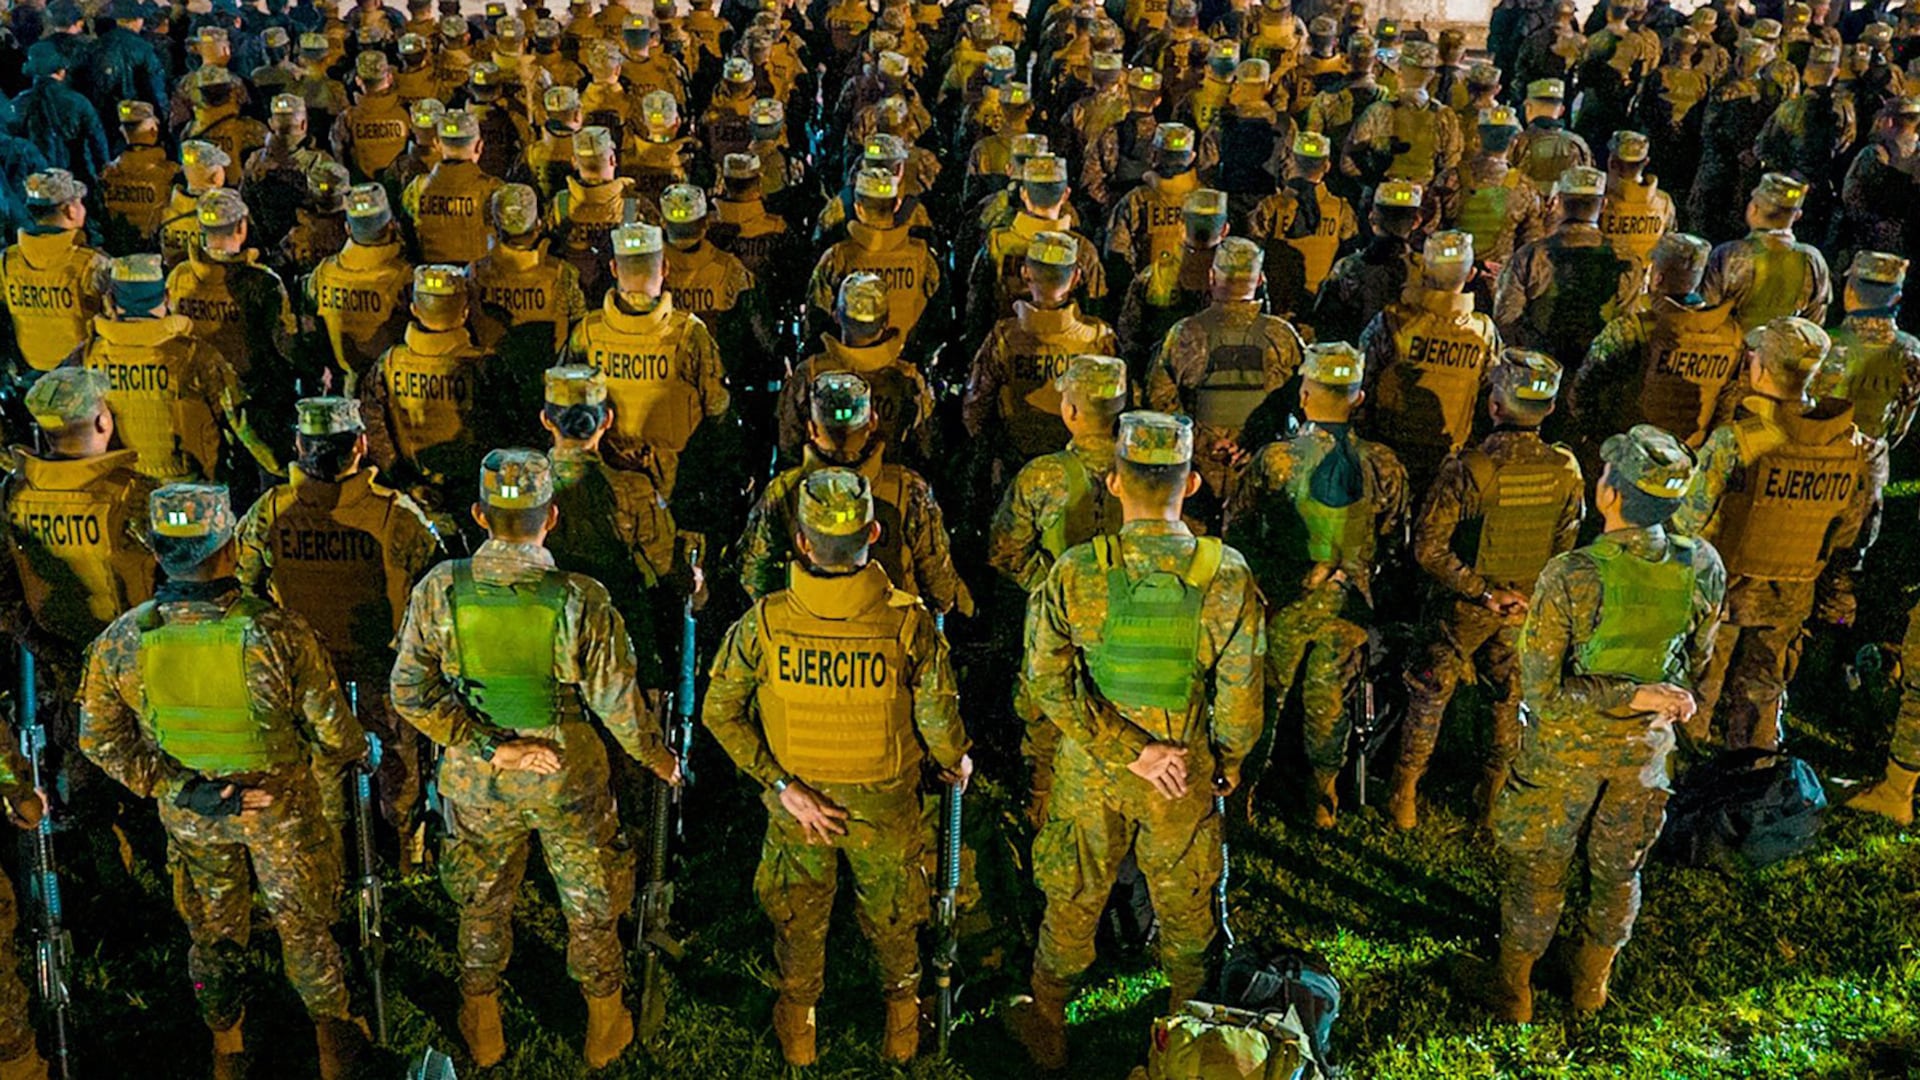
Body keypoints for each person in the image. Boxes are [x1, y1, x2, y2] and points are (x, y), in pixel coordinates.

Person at [389, 448, 679, 1069]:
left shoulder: (441, 589)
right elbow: (619, 703)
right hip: (566, 775)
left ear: (478, 514)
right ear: (551, 518)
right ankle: (606, 1021)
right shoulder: (580, 598)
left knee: (482, 898)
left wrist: (493, 746)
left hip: (477, 779)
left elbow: (409, 691)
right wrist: (656, 758)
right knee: (589, 900)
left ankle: (482, 1018)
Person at [78, 483, 371, 1078]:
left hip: (195, 818)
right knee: (304, 927)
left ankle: (227, 1047)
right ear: (233, 547)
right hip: (279, 813)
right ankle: (334, 1044)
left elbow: (100, 740)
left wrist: (179, 787)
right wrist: (356, 752)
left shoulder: (121, 643)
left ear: (157, 552)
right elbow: (334, 731)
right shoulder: (279, 634)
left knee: (213, 933)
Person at [1004, 410, 1263, 1070]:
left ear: (1115, 483)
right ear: (1194, 482)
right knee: (1185, 901)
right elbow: (1240, 695)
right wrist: (1225, 761)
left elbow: (1046, 681)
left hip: (1093, 768)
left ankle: (1049, 1017)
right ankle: (1192, 1039)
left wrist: (1126, 748)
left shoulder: (1074, 572)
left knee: (1074, 888)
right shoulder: (1225, 574)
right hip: (1184, 772)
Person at [703, 467, 971, 1066]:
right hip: (885, 801)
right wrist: (957, 761)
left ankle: (799, 1027)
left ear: (800, 542)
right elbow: (937, 722)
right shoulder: (908, 622)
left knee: (799, 914)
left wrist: (783, 786)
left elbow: (719, 713)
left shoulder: (765, 624)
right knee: (894, 912)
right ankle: (902, 1020)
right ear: (873, 533)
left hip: (798, 803)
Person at [1492, 425, 1725, 1024]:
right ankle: (1591, 984)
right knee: (1619, 870)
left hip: (1565, 755)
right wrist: (1651, 697)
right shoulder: (1702, 563)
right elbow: (1696, 660)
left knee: (1540, 867)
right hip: (1644, 756)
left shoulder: (1571, 574)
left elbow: (1543, 692)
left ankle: (1514, 988)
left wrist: (1627, 692)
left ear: (1610, 495)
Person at [234, 396, 444, 867]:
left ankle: (329, 858)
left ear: (299, 445)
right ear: (362, 446)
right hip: (380, 666)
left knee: (322, 766)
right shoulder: (397, 514)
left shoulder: (271, 511)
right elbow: (434, 587)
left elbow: (241, 586)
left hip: (305, 669)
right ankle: (406, 856)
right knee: (396, 764)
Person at [1390, 352, 1584, 829]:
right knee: (1506, 698)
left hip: (1463, 608)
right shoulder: (1565, 468)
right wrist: (1524, 596)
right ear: (1549, 409)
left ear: (1494, 405)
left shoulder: (1469, 469)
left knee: (1430, 692)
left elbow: (1428, 548)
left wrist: (1480, 592)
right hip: (1522, 606)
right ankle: (1492, 797)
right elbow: (1565, 546)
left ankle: (1406, 794)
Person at [1673, 316, 1885, 750]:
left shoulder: (1738, 441)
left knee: (1698, 691)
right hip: (1793, 595)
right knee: (1763, 693)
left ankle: (1685, 780)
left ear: (1761, 369)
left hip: (1724, 593)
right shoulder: (1852, 447)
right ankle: (1754, 778)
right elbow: (1855, 531)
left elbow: (1688, 521)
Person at [1226, 344, 1408, 827]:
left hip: (1283, 601)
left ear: (1304, 395)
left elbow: (1238, 530)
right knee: (1330, 701)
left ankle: (1242, 797)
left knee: (1265, 696)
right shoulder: (1383, 464)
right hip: (1349, 603)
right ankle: (1321, 797)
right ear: (1359, 397)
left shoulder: (1277, 460)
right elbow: (1394, 536)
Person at [987, 354, 1129, 825]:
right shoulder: (1147, 472)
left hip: (1057, 626)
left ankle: (1039, 801)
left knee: (1044, 718)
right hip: (1126, 627)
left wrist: (1045, 588)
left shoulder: (1042, 476)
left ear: (1070, 412)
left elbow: (1005, 549)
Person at [739, 371, 968, 615]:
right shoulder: (908, 489)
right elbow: (940, 586)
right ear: (871, 422)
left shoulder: (782, 491)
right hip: (887, 632)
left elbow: (755, 577)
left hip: (805, 636)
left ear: (812, 429)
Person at [563, 221, 730, 497]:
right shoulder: (690, 335)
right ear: (665, 268)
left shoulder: (586, 333)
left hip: (607, 489)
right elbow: (717, 410)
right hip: (675, 489)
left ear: (614, 269)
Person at [1145, 236, 1306, 513]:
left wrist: (1203, 441)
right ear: (1259, 281)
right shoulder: (1283, 337)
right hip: (1260, 476)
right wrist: (1255, 438)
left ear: (1211, 277)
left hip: (1196, 477)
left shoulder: (1184, 334)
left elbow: (1158, 400)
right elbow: (1304, 401)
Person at [1574, 233, 1744, 452]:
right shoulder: (1732, 336)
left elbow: (1581, 394)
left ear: (1657, 277)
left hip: (1630, 456)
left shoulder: (1631, 330)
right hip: (1686, 460)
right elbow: (1724, 410)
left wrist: (1605, 443)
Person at [1361, 230, 1501, 496]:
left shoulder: (1392, 321)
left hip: (1389, 456)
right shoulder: (1484, 333)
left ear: (1423, 269)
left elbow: (1363, 384)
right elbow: (1488, 392)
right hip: (1448, 461)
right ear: (1470, 274)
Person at [1493, 166, 1642, 374]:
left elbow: (1505, 320)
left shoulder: (1530, 256)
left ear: (1559, 202)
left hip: (1540, 375)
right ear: (1604, 204)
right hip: (1596, 376)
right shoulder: (1628, 261)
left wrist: (1535, 357)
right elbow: (1628, 327)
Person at [304, 183, 416, 391]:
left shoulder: (323, 273)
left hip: (342, 386)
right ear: (391, 224)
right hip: (387, 388)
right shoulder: (403, 277)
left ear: (348, 229)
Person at [0, 169, 109, 381]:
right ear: (70, 211)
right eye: (79, 202)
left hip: (32, 375)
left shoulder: (7, 261)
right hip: (82, 377)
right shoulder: (91, 263)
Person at [1814, 251, 1920, 448]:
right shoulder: (1911, 350)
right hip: (1871, 456)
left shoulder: (1824, 343)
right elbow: (1902, 422)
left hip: (1816, 458)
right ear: (1897, 298)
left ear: (1849, 292)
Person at [1702, 172, 1833, 331]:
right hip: (1784, 352)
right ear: (1797, 215)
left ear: (1753, 209)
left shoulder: (1727, 254)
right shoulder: (1813, 259)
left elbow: (1707, 314)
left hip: (1730, 349)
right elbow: (1814, 326)